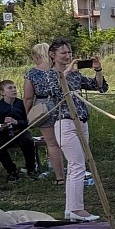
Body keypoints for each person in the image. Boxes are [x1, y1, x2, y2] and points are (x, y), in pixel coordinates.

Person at [28, 38, 107, 220]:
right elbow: (54, 90)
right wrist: (68, 70)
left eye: (69, 52)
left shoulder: (76, 75)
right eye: (63, 53)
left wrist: (98, 70)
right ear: (53, 55)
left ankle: (71, 208)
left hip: (82, 121)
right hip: (65, 123)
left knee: (76, 166)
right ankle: (76, 209)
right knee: (77, 165)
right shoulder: (49, 74)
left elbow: (99, 86)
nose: (67, 56)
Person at [23, 43, 64, 182]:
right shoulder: (58, 69)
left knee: (52, 143)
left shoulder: (31, 73)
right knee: (65, 140)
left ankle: (60, 177)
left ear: (36, 56)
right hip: (62, 104)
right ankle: (74, 171)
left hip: (43, 106)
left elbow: (28, 97)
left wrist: (27, 113)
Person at [0, 79, 38, 178]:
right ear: (2, 92)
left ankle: (31, 169)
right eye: (10, 88)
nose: (14, 90)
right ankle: (11, 171)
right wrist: (3, 127)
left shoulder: (22, 104)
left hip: (20, 131)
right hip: (5, 133)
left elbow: (29, 123)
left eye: (14, 87)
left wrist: (17, 122)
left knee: (28, 141)